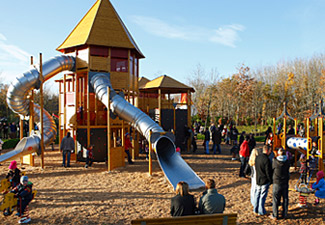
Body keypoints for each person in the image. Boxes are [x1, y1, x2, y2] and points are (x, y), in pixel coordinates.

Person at [270, 148, 290, 220]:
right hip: (285, 181)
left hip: (277, 181)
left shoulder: (275, 161)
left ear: (278, 154)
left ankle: (275, 215)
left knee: (275, 198)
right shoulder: (287, 161)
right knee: (285, 198)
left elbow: (272, 168)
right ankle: (284, 214)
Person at [253, 145, 272, 216]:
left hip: (258, 178)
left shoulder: (257, 158)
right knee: (262, 196)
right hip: (265, 180)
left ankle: (255, 209)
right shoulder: (266, 159)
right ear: (267, 151)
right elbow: (268, 171)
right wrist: (270, 180)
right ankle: (261, 211)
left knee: (257, 194)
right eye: (270, 150)